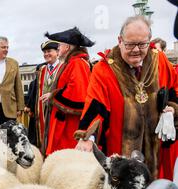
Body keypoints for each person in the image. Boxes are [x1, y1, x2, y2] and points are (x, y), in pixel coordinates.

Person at [75, 16, 178, 180]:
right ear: (120, 40)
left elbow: (174, 88)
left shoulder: (160, 60)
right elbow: (96, 106)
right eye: (130, 44)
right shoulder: (104, 69)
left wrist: (172, 108)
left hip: (158, 154)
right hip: (122, 156)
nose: (136, 50)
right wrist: (88, 137)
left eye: (142, 44)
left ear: (149, 41)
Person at [42, 27, 94, 156]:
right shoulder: (72, 62)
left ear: (68, 47)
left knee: (66, 157)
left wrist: (54, 96)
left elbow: (78, 92)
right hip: (65, 122)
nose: (58, 47)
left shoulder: (77, 63)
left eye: (60, 44)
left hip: (68, 125)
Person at [25, 40, 61, 154]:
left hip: (57, 111)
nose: (46, 54)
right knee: (41, 141)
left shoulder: (64, 67)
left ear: (57, 52)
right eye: (44, 52)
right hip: (42, 113)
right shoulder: (42, 70)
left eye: (49, 51)